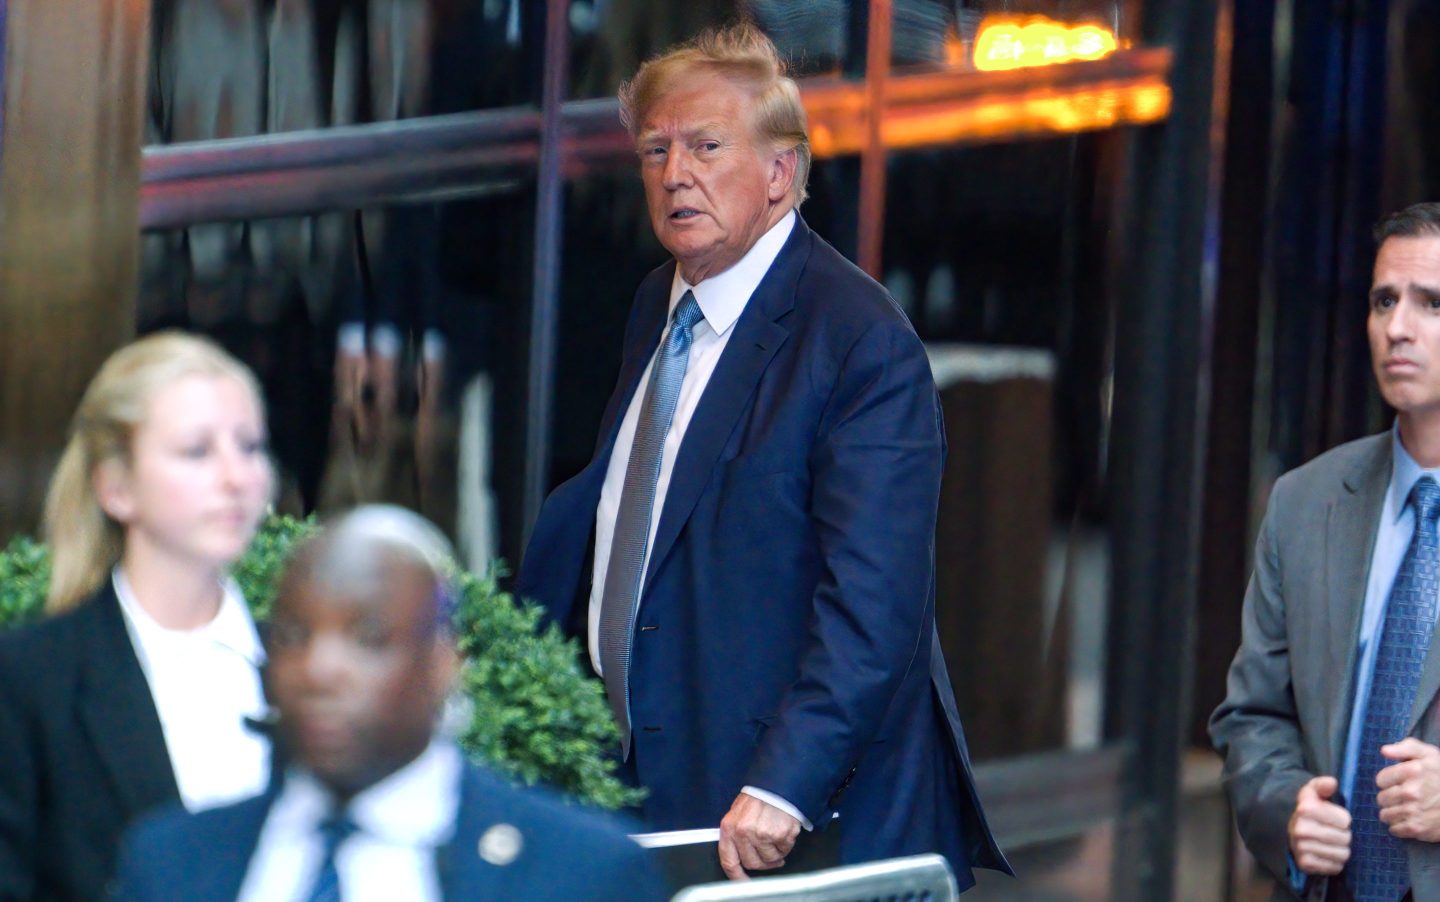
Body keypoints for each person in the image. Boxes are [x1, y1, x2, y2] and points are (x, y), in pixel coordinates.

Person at [516, 23, 1008, 886]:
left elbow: (874, 604)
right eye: (656, 150)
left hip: (790, 818)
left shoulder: (860, 342)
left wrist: (785, 784)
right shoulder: (659, 302)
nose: (675, 174)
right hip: (649, 787)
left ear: (781, 173)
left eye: (707, 147)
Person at [113, 506, 668, 901]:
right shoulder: (170, 862)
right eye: (293, 636)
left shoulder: (581, 872)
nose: (320, 670)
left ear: (443, 664)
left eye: (369, 638)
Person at [1212, 202, 1440, 899]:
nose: (1397, 328)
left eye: (1431, 303)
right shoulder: (1305, 503)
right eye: (1384, 301)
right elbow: (1253, 715)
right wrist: (1287, 811)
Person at [0, 332, 275, 900]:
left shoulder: (308, 671)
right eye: (196, 451)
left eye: (249, 447)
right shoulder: (31, 678)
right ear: (116, 487)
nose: (237, 477)